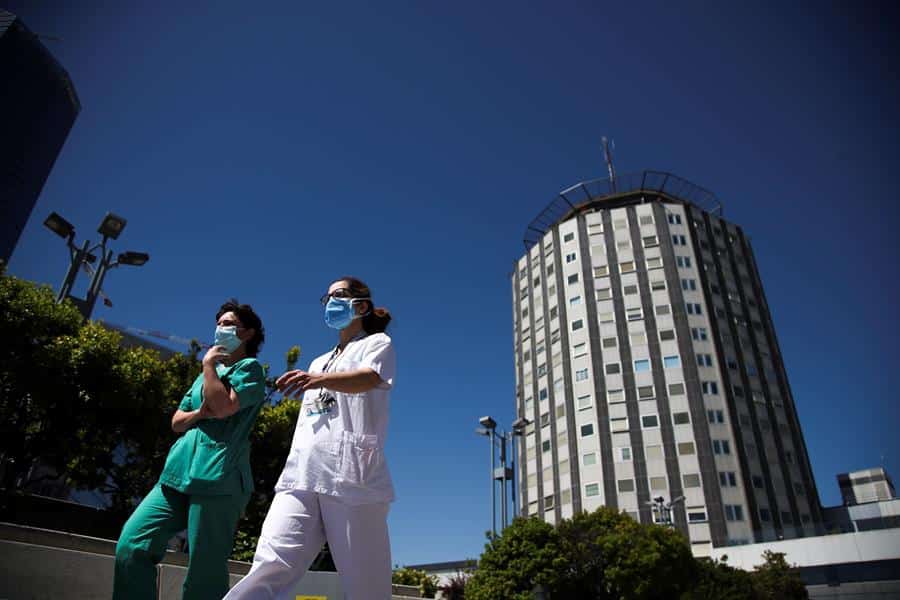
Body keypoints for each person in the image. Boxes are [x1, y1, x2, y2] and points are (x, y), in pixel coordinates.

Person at [224, 276, 396, 600]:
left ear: (361, 305)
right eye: (327, 297)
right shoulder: (318, 361)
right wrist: (315, 378)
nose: (330, 303)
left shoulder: (376, 344)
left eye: (339, 295)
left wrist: (317, 380)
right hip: (303, 474)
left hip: (352, 477)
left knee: (366, 586)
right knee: (269, 564)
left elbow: (370, 377)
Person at [113, 300, 267, 600]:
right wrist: (199, 413)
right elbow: (177, 422)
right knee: (132, 545)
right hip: (176, 475)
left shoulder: (249, 369)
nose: (219, 329)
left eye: (227, 324)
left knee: (204, 571)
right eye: (219, 323)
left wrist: (209, 367)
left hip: (219, 478)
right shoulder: (204, 377)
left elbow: (223, 407)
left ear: (247, 333)